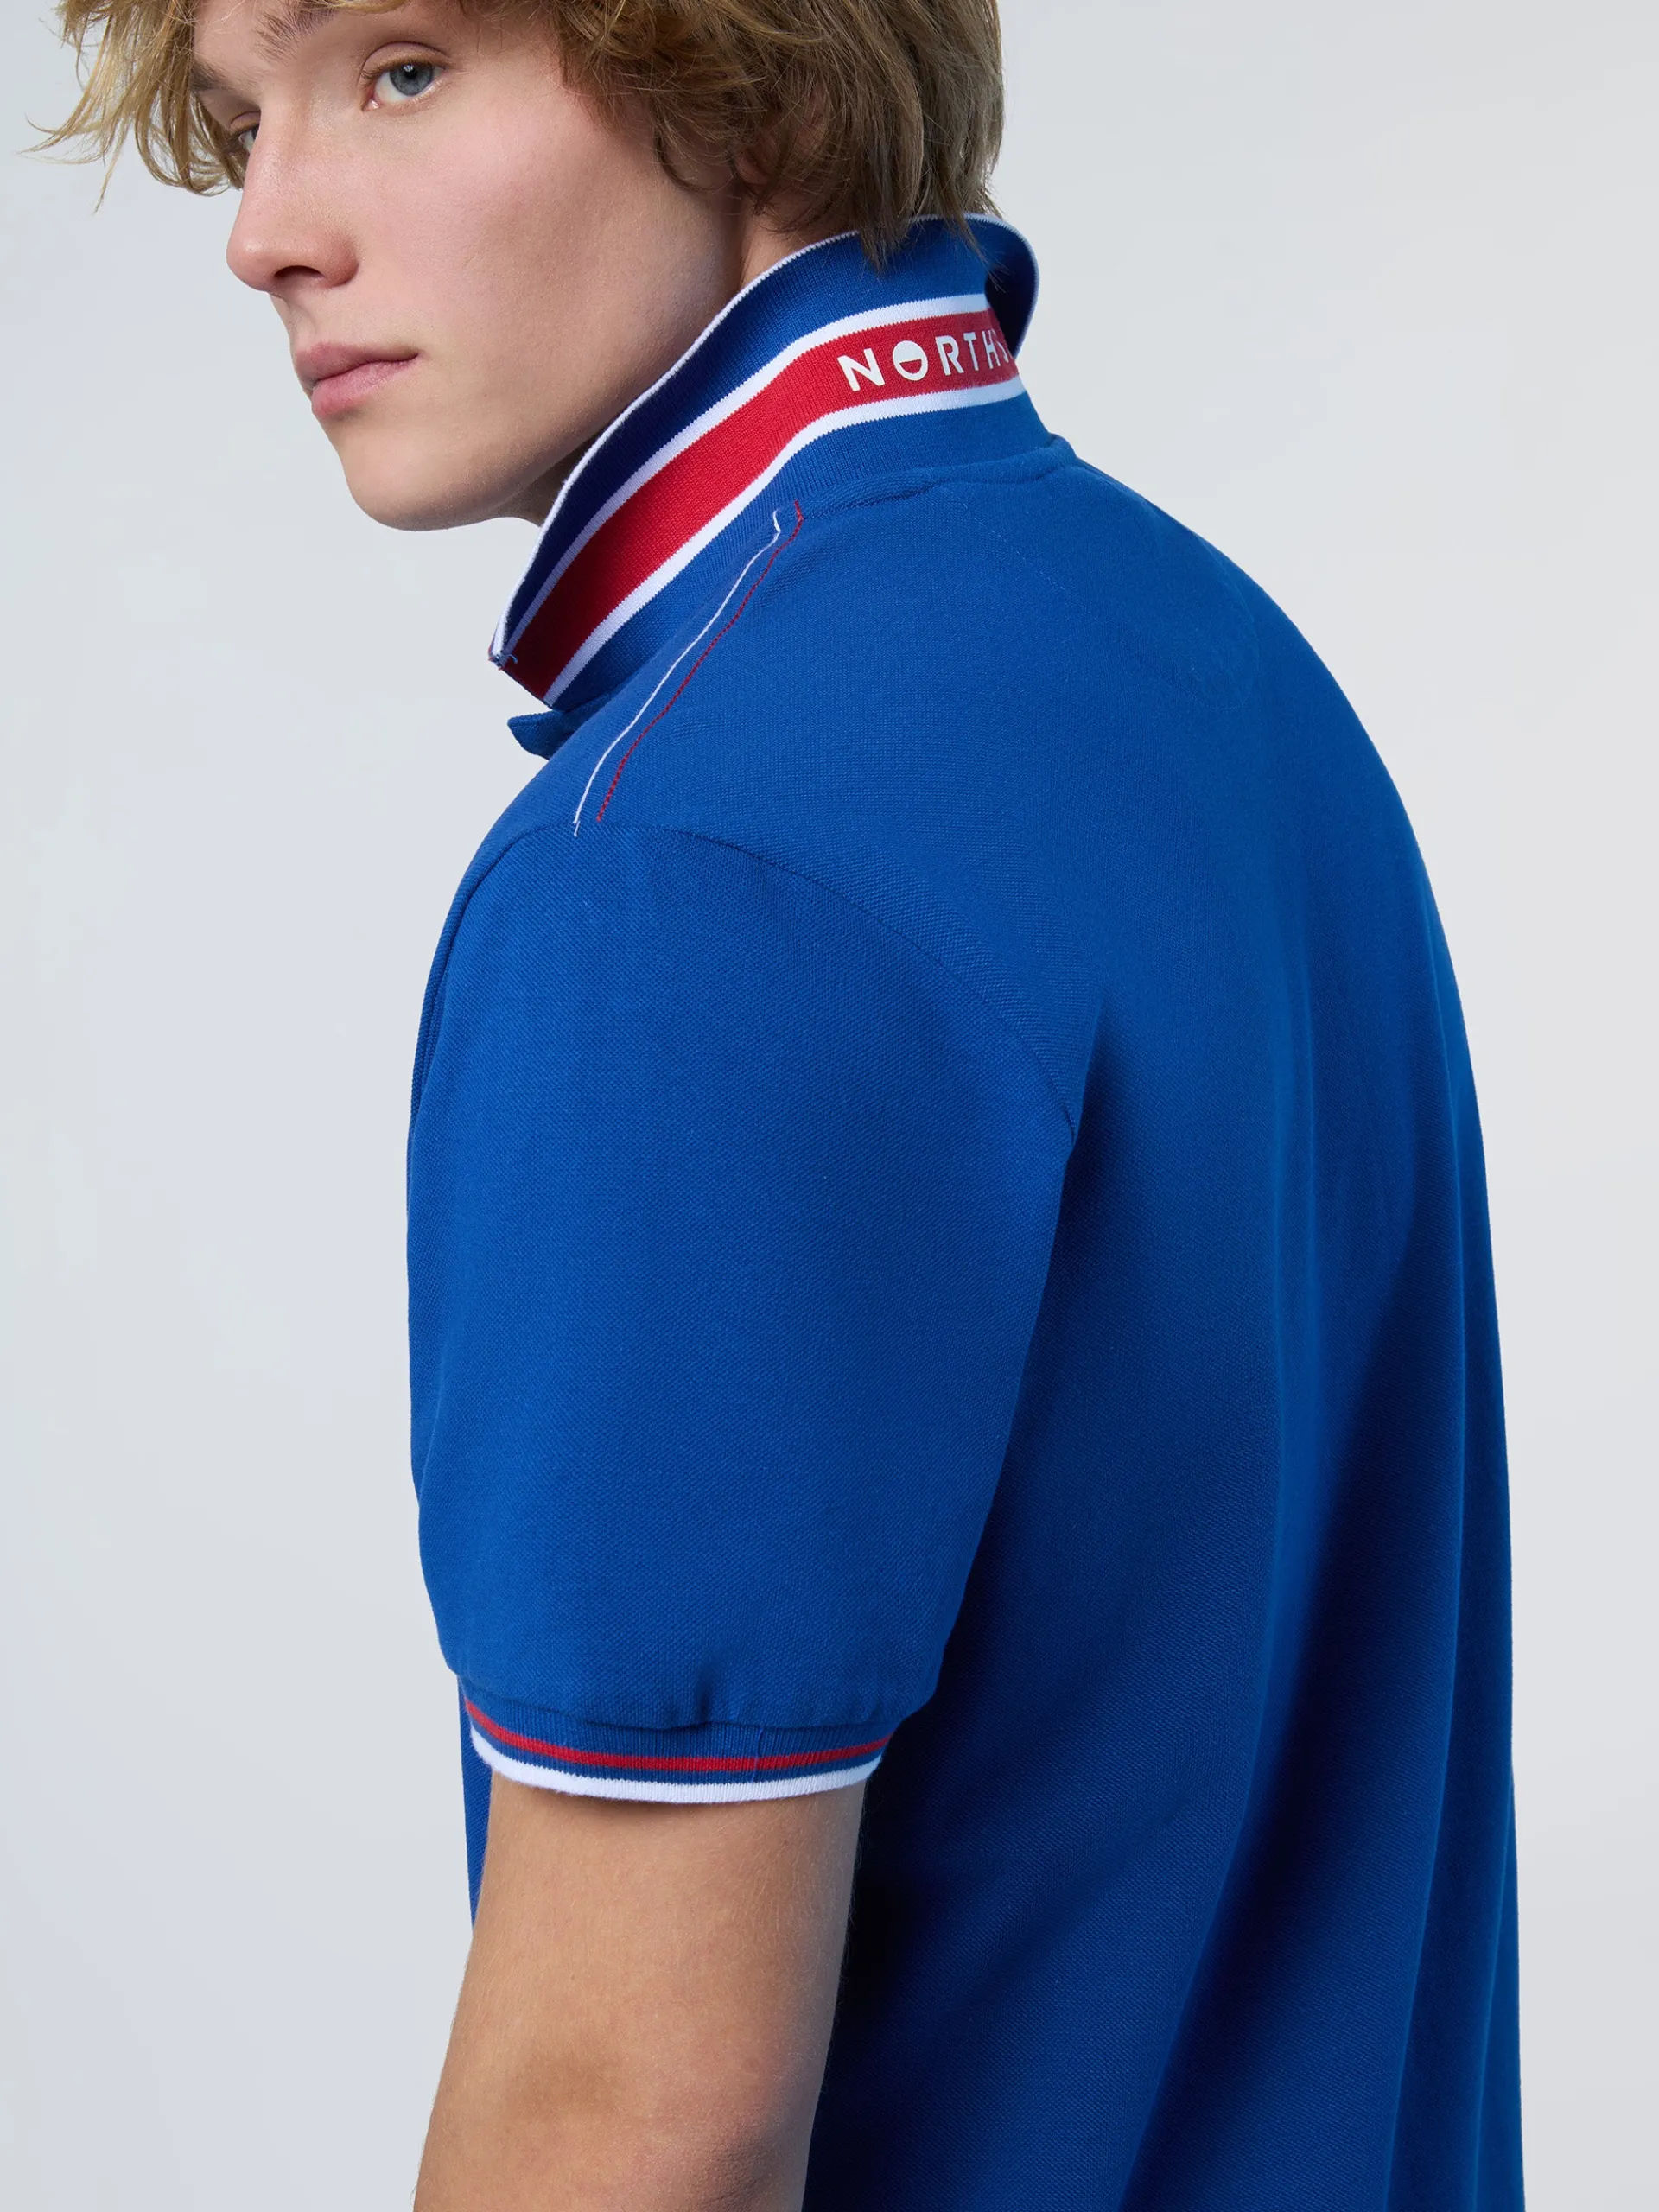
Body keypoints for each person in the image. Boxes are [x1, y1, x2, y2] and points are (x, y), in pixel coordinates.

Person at [49, 3, 1524, 2206]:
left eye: (402, 68)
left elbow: (631, 2120)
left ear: (745, 66)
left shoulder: (685, 871)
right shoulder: (1215, 661)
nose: (265, 230)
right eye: (243, 118)